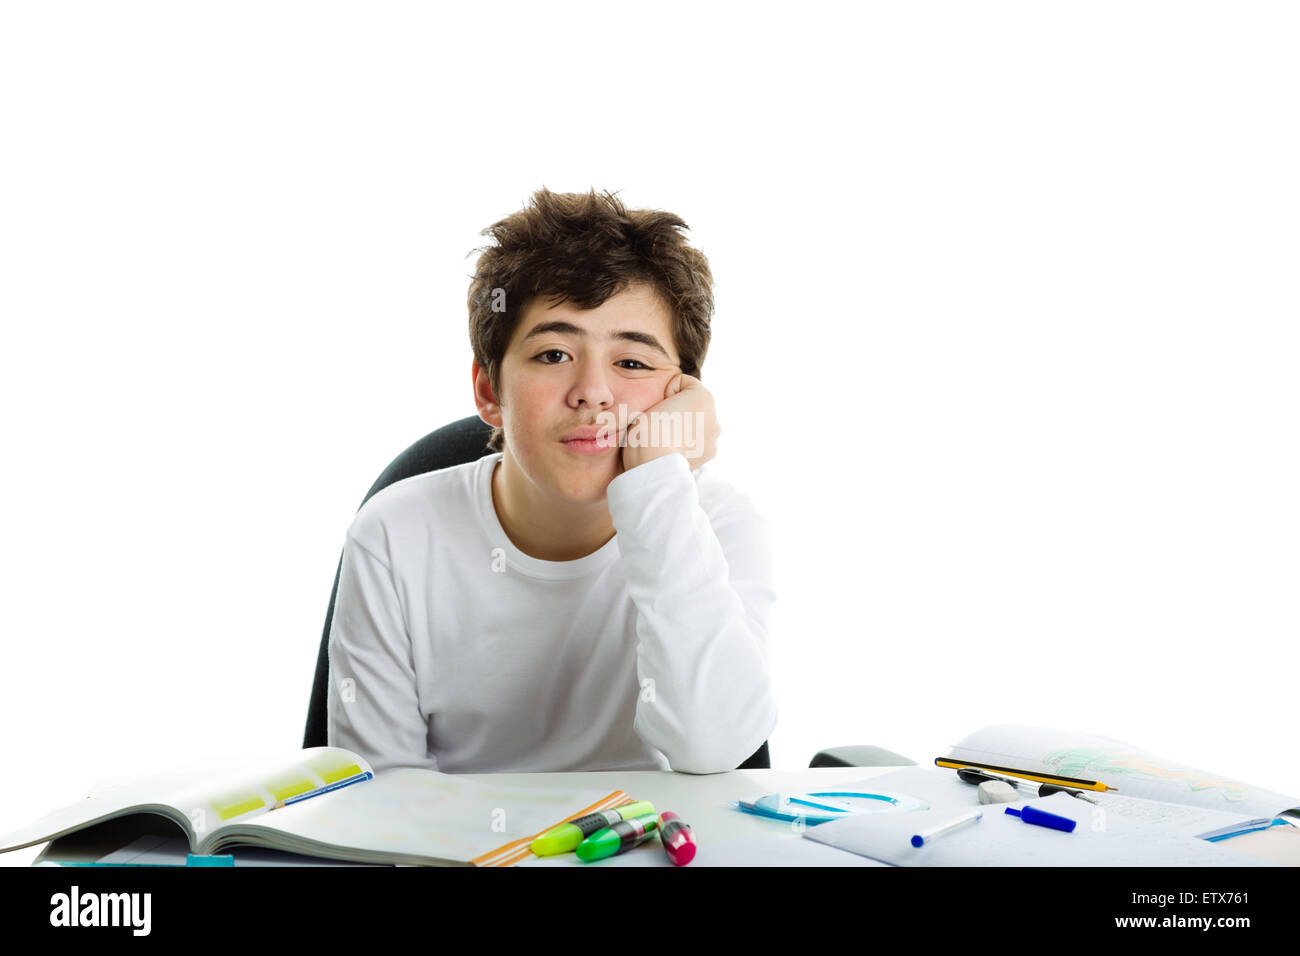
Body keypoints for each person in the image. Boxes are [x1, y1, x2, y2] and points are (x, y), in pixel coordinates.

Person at [326, 188, 776, 774]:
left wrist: (657, 484)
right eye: (554, 354)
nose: (592, 391)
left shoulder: (723, 526)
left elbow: (713, 749)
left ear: (684, 397)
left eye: (632, 362)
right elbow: (375, 799)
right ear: (490, 390)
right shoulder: (395, 534)